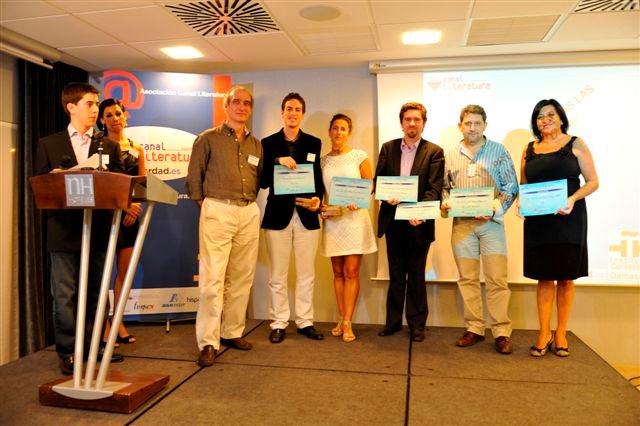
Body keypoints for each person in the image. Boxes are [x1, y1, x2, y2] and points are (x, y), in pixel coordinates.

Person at [34, 82, 124, 375]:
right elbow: (37, 189)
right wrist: (54, 179)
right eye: (90, 104)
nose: (96, 110)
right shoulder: (48, 144)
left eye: (97, 104)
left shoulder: (108, 145)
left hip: (97, 230)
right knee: (65, 295)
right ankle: (68, 352)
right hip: (63, 232)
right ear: (71, 107)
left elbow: (120, 186)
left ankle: (94, 346)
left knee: (97, 292)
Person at [186, 86, 263, 367]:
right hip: (218, 209)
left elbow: (260, 177)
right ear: (226, 106)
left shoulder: (256, 144)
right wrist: (208, 206)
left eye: (247, 103)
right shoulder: (208, 139)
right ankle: (208, 341)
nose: (242, 107)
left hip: (249, 211)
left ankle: (232, 332)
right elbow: (194, 180)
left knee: (242, 277)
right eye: (237, 102)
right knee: (212, 280)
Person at [520, 99, 598, 357]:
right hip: (539, 222)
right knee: (544, 276)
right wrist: (523, 204)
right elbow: (524, 185)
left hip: (569, 218)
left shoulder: (575, 143)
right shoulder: (529, 149)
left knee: (565, 277)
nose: (546, 120)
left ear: (561, 118)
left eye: (550, 114)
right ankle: (544, 332)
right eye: (540, 117)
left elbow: (593, 181)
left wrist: (572, 199)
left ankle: (561, 332)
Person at [441, 105, 519, 355]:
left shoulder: (498, 151)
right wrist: (445, 202)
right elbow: (443, 187)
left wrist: (495, 207)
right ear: (460, 125)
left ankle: (501, 332)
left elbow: (511, 186)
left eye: (477, 123)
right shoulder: (450, 154)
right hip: (462, 226)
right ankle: (474, 328)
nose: (472, 128)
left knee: (497, 279)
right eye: (467, 123)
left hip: (491, 225)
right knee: (467, 279)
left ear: (485, 125)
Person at [375, 102, 444, 342]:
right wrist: (385, 194)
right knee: (395, 273)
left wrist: (420, 211)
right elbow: (379, 181)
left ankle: (417, 326)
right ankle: (393, 323)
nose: (412, 123)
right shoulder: (388, 148)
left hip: (419, 222)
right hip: (393, 221)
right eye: (408, 119)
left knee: (415, 273)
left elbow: (434, 189)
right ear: (401, 122)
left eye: (416, 119)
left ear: (423, 122)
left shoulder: (434, 151)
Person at [260, 93, 324, 344]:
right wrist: (276, 161)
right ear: (282, 112)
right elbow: (263, 181)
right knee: (278, 274)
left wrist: (318, 200)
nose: (292, 113)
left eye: (297, 109)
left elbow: (316, 176)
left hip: (307, 215)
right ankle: (278, 322)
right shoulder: (268, 143)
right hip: (278, 215)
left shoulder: (314, 142)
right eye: (288, 108)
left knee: (307, 273)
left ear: (303, 114)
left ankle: (305, 321)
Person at [320, 114, 377, 342]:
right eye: (335, 128)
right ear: (329, 131)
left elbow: (370, 184)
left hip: (354, 219)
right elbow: (321, 191)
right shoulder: (323, 161)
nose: (338, 132)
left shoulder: (359, 156)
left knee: (351, 272)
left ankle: (348, 322)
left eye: (343, 128)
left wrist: (359, 196)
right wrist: (322, 208)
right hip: (334, 222)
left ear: (349, 132)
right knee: (337, 273)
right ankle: (341, 317)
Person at [98, 98, 145, 347]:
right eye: (108, 115)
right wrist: (120, 203)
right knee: (102, 274)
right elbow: (100, 184)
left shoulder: (137, 148)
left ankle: (118, 322)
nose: (115, 118)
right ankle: (104, 326)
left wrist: (134, 207)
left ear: (126, 115)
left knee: (124, 274)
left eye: (118, 113)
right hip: (105, 216)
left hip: (130, 217)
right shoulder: (97, 147)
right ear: (102, 120)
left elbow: (142, 184)